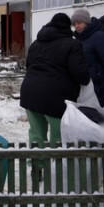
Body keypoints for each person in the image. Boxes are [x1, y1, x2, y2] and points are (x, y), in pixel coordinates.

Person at [19, 13, 90, 146]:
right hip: (57, 97)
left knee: (36, 135)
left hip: (30, 92)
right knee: (59, 136)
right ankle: (55, 166)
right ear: (68, 27)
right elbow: (79, 73)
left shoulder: (36, 43)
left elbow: (29, 66)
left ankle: (37, 165)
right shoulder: (72, 44)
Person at [71, 8, 104, 106]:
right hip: (87, 86)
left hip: (101, 85)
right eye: (74, 24)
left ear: (86, 22)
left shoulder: (100, 36)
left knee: (103, 115)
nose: (76, 26)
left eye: (79, 23)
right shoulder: (79, 39)